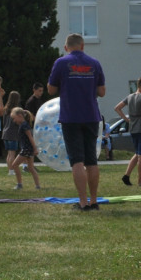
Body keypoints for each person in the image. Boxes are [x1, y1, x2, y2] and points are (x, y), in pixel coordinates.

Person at [47, 33, 106, 210]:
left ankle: (82, 202)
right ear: (82, 46)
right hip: (91, 115)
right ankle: (94, 201)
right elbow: (102, 92)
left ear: (66, 48)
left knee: (77, 161)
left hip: (70, 116)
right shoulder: (94, 63)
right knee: (91, 160)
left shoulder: (61, 63)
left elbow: (50, 89)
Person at [117, 75, 141, 187]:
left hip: (133, 127)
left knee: (137, 153)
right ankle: (140, 181)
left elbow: (117, 108)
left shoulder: (130, 96)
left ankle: (126, 176)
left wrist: (126, 120)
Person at [8, 107, 42, 189]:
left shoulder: (24, 125)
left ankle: (19, 184)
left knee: (14, 165)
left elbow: (30, 137)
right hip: (28, 149)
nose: (14, 121)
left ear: (20, 116)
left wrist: (35, 149)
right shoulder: (24, 125)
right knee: (31, 167)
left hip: (26, 149)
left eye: (14, 118)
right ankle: (37, 186)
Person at [0, 90, 22, 175]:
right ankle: (12, 170)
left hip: (5, 133)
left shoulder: (6, 109)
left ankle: (10, 169)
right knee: (12, 153)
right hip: (13, 134)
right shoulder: (16, 111)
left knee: (9, 154)